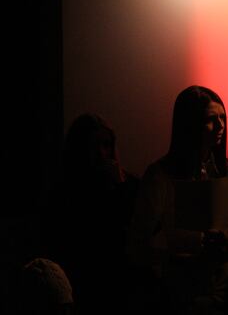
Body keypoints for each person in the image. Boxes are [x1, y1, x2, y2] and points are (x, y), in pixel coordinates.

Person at [128, 86, 228, 315]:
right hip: (178, 293)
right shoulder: (160, 176)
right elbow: (139, 242)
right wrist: (177, 254)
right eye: (211, 119)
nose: (221, 126)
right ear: (190, 125)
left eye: (223, 117)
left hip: (225, 289)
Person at [40, 113, 139, 315]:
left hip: (123, 279)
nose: (102, 153)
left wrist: (119, 188)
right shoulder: (65, 192)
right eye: (94, 146)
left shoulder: (129, 184)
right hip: (83, 281)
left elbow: (136, 229)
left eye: (107, 145)